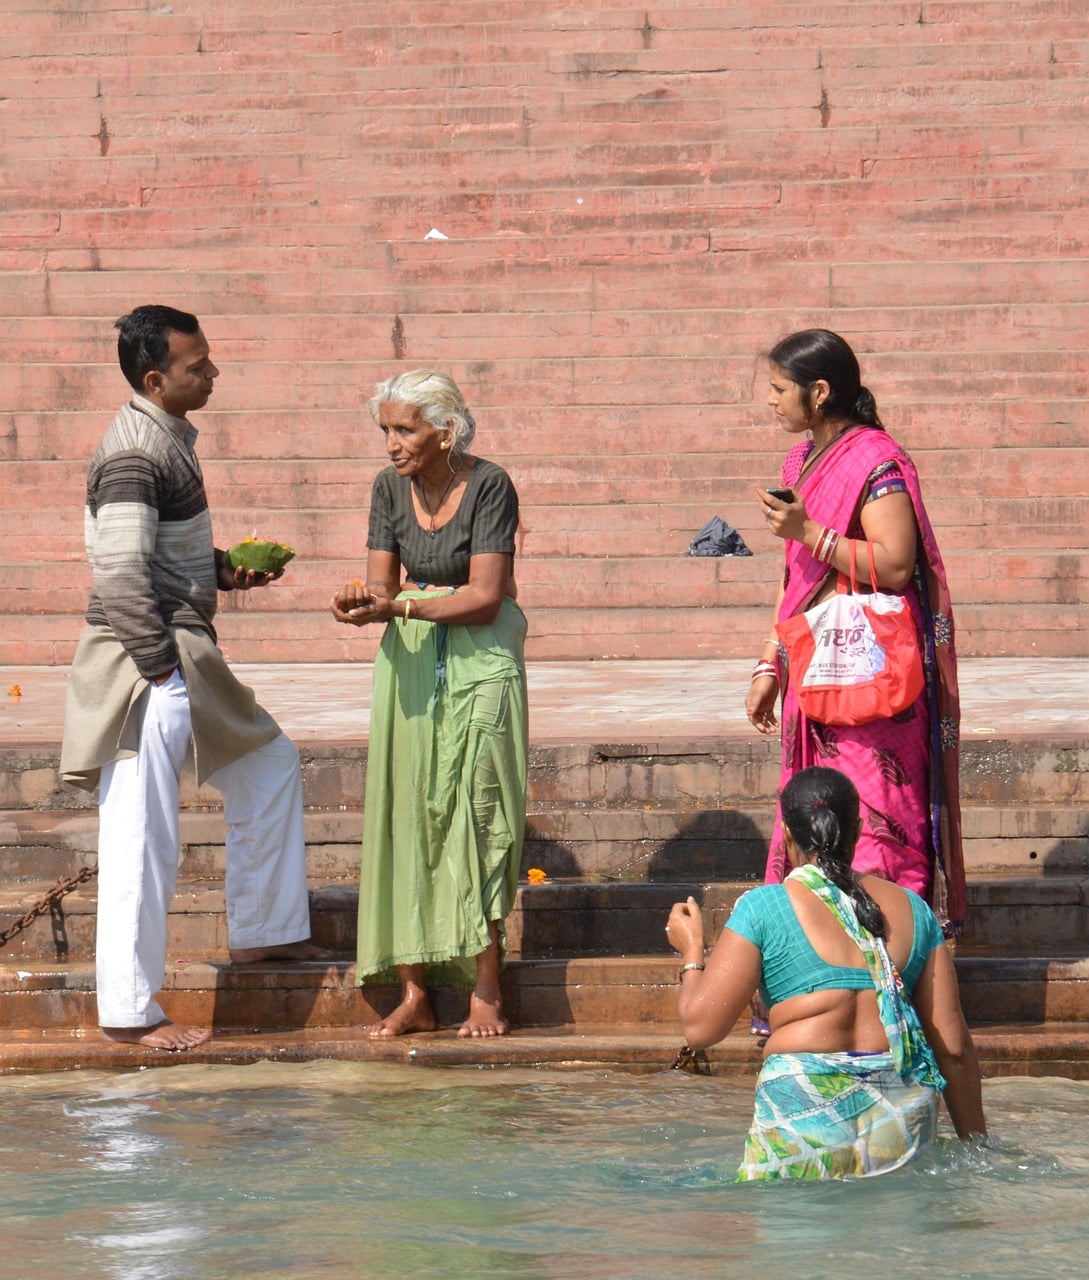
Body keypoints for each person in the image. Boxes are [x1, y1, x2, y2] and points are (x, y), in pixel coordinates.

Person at [60, 304, 329, 1052]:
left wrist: (219, 571)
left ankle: (265, 933)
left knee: (268, 764)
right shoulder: (132, 453)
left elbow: (148, 556)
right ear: (156, 378)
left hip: (184, 650)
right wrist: (158, 674)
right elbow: (116, 572)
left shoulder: (165, 439)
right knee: (140, 833)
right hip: (143, 659)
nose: (211, 373)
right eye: (197, 366)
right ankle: (128, 1011)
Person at [667, 766, 986, 1180]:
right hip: (900, 1125)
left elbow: (699, 1029)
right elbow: (955, 1049)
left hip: (804, 1121)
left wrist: (691, 952)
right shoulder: (914, 910)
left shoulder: (763, 908)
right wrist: (978, 1150)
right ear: (857, 829)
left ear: (785, 833)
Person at [330, 369, 527, 1038]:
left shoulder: (490, 483)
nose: (391, 443)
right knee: (408, 814)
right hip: (410, 664)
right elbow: (381, 582)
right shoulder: (388, 488)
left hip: (482, 659)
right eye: (386, 430)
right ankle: (414, 992)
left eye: (404, 429)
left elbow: (484, 595)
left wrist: (400, 605)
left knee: (479, 814)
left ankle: (486, 987)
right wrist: (358, 604)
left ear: (445, 432)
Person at [746, 329, 965, 932]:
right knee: (814, 814)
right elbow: (796, 577)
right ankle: (816, 956)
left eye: (779, 389)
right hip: (813, 666)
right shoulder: (800, 461)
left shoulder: (877, 460)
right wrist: (769, 663)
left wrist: (808, 530)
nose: (771, 401)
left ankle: (895, 959)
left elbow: (895, 563)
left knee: (878, 814)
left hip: (871, 676)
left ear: (818, 392)